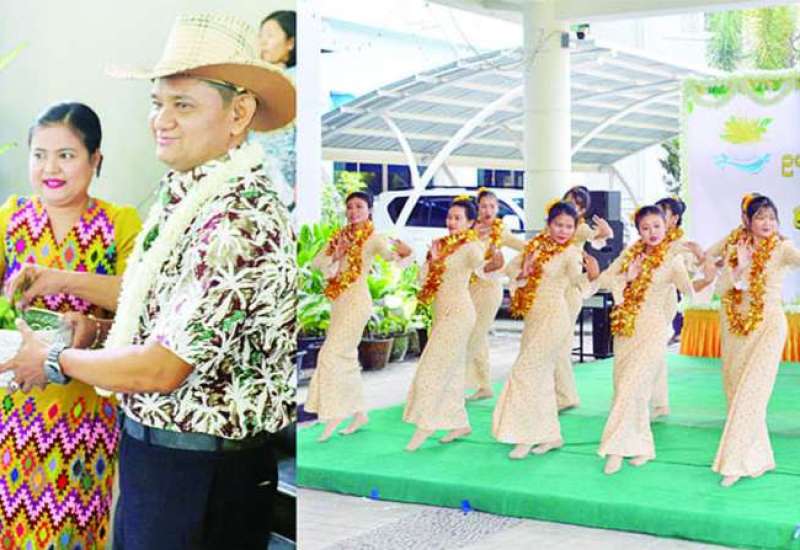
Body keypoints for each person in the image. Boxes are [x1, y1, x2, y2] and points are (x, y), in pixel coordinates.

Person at [1, 13, 296, 549]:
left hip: (199, 471)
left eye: (183, 105)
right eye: (157, 103)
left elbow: (163, 367)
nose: (162, 120)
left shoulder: (237, 218)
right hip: (161, 463)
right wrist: (95, 329)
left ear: (239, 113)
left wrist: (53, 359)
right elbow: (160, 303)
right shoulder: (187, 193)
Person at [0, 102, 141, 549]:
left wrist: (62, 281)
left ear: (95, 159)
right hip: (12, 411)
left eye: (66, 155)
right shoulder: (9, 219)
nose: (50, 169)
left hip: (84, 414)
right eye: (39, 155)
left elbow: (139, 297)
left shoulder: (119, 223)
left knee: (71, 531)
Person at [593, 206, 715, 475]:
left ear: (666, 227)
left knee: (631, 387)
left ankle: (615, 449)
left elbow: (689, 290)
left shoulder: (672, 259)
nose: (652, 232)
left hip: (653, 328)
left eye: (657, 226)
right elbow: (605, 279)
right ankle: (642, 447)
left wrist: (706, 274)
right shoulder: (631, 254)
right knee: (625, 388)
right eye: (646, 228)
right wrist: (627, 277)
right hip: (626, 328)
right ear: (639, 231)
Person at [492, 201, 599, 459]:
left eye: (569, 226)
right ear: (548, 225)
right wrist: (524, 272)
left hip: (555, 317)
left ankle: (527, 435)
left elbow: (577, 281)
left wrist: (593, 275)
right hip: (534, 318)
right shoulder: (536, 246)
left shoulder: (571, 253)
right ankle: (550, 435)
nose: (563, 231)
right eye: (558, 225)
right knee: (537, 377)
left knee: (525, 373)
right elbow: (512, 272)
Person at [305, 190, 412, 442]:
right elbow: (316, 264)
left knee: (331, 355)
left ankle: (335, 413)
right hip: (338, 302)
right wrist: (337, 254)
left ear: (369, 210)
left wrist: (405, 252)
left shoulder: (373, 238)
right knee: (346, 357)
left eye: (359, 206)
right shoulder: (339, 236)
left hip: (357, 302)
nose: (353, 211)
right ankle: (359, 413)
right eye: (350, 206)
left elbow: (391, 256)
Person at [711, 195, 800, 487]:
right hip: (736, 329)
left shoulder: (782, 248)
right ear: (747, 221)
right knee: (736, 392)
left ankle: (734, 462)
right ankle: (759, 458)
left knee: (752, 394)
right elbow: (721, 290)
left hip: (769, 327)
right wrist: (738, 268)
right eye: (760, 217)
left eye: (772, 217)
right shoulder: (736, 248)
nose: (767, 223)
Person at [403, 197, 487, 451]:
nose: (451, 222)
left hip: (459, 314)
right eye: (449, 217)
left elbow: (484, 266)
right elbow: (424, 280)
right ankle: (459, 422)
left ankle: (426, 425)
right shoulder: (440, 244)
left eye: (457, 218)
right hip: (440, 314)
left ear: (470, 222)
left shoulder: (471, 246)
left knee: (431, 369)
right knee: (451, 369)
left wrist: (489, 249)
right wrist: (431, 258)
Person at [556, 185, 613, 411]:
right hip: (555, 290)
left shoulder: (578, 228)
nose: (572, 207)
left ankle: (565, 396)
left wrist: (604, 231)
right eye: (569, 201)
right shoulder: (557, 226)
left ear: (582, 211)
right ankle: (562, 394)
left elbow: (602, 235)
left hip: (571, 290)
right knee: (556, 343)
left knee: (560, 343)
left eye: (578, 205)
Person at [464, 188, 523, 401]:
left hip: (489, 289)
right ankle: (484, 385)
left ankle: (456, 385)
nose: (487, 210)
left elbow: (526, 248)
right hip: (468, 288)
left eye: (492, 206)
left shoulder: (501, 232)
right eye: (483, 206)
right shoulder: (469, 229)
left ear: (497, 209)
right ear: (477, 208)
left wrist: (510, 270)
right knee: (475, 335)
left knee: (475, 334)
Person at [251, 10, 297, 211]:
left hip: (287, 186)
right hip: (256, 177)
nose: (263, 42)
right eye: (261, 36)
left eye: (269, 35)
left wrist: (301, 180)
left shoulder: (299, 80)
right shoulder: (255, 81)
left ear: (290, 42)